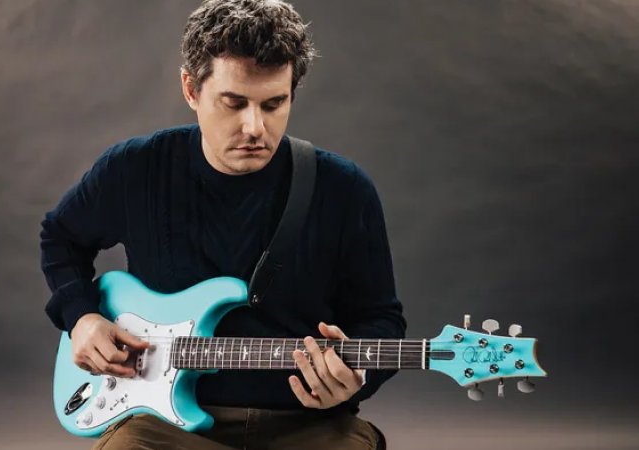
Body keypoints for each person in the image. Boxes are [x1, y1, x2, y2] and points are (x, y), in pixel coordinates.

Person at [40, 1, 406, 449]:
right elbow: (60, 238)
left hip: (308, 425)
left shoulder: (344, 188)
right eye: (234, 103)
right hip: (163, 427)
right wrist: (82, 318)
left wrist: (358, 376)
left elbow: (380, 319)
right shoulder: (135, 168)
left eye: (274, 104)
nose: (255, 127)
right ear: (191, 89)